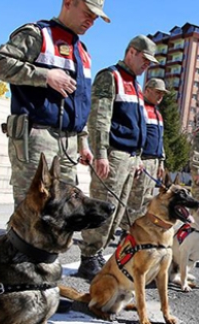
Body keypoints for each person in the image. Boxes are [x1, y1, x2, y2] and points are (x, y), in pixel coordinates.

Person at [0, 0, 110, 207]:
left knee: (65, 213)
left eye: (96, 18)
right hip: (38, 137)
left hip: (69, 144)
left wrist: (83, 142)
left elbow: (79, 101)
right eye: (88, 13)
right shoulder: (38, 34)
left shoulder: (82, 51)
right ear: (69, 1)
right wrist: (45, 76)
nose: (91, 21)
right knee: (33, 212)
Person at [77, 35, 158, 279]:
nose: (147, 65)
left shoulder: (135, 84)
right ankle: (88, 257)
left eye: (150, 62)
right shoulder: (110, 77)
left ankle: (99, 253)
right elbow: (99, 118)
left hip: (131, 158)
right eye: (144, 59)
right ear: (131, 52)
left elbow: (138, 125)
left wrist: (139, 157)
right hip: (113, 155)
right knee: (102, 207)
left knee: (118, 211)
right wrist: (100, 153)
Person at [118, 78, 169, 234]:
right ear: (147, 90)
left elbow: (159, 140)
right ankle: (126, 231)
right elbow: (135, 136)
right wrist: (137, 158)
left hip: (154, 162)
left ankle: (135, 229)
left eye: (162, 93)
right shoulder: (140, 108)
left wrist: (161, 162)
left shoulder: (157, 112)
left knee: (146, 199)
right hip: (142, 160)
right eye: (157, 92)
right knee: (136, 198)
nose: (160, 96)